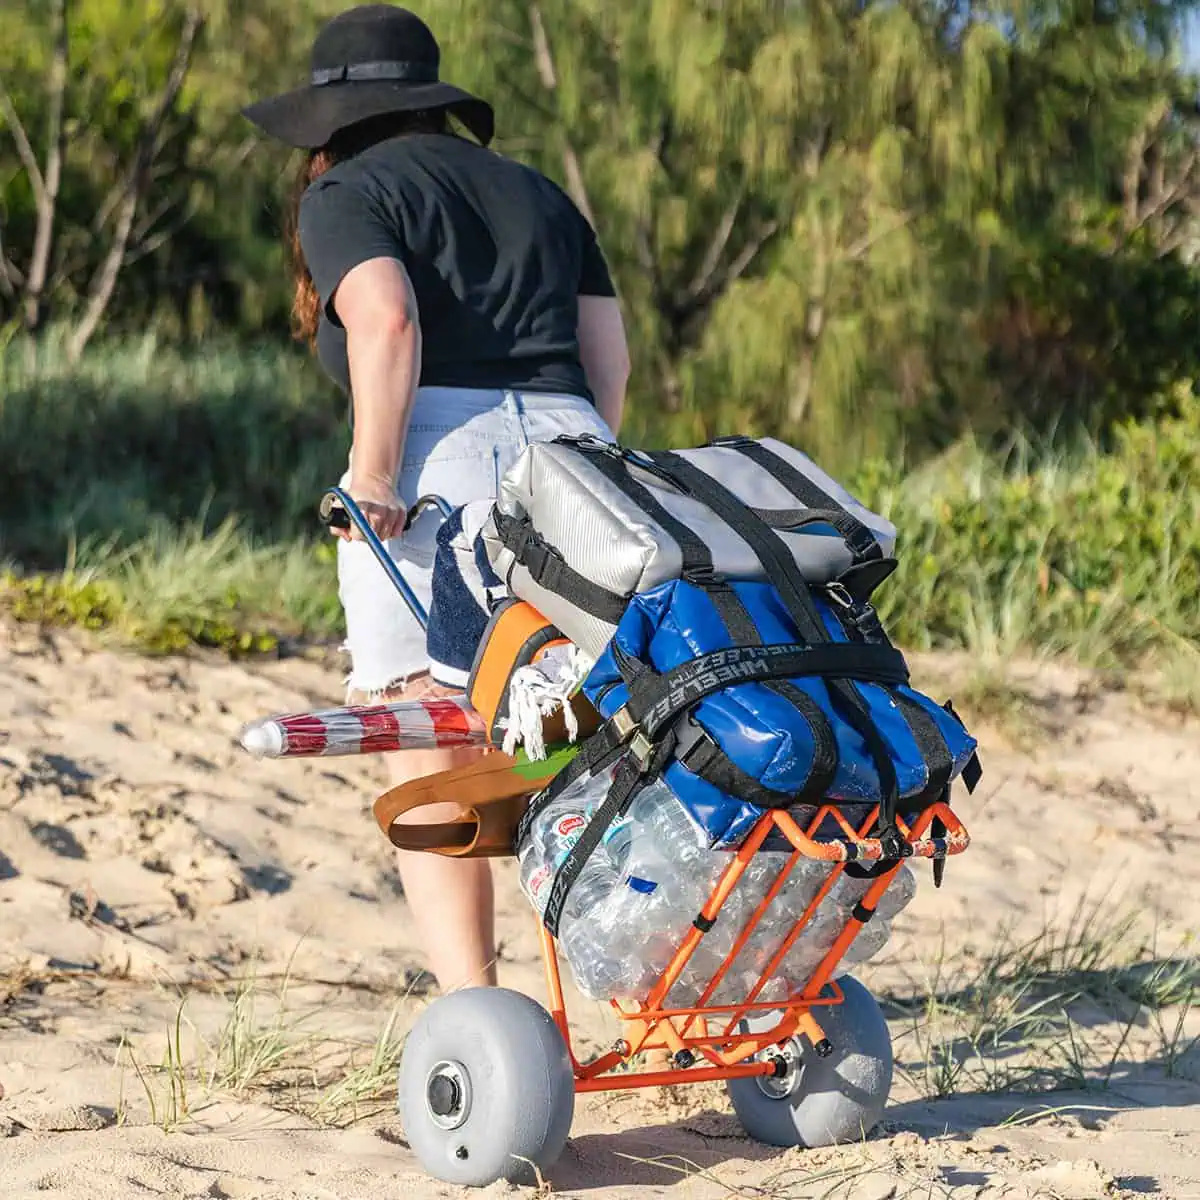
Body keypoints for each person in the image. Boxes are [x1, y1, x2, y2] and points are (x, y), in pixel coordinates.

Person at [243, 4, 630, 993]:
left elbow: (388, 320)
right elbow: (607, 361)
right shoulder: (540, 193)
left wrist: (373, 473)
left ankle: (475, 1003)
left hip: (441, 461)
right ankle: (629, 974)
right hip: (577, 453)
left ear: (333, 124)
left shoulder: (348, 191)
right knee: (579, 710)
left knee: (428, 730)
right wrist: (590, 473)